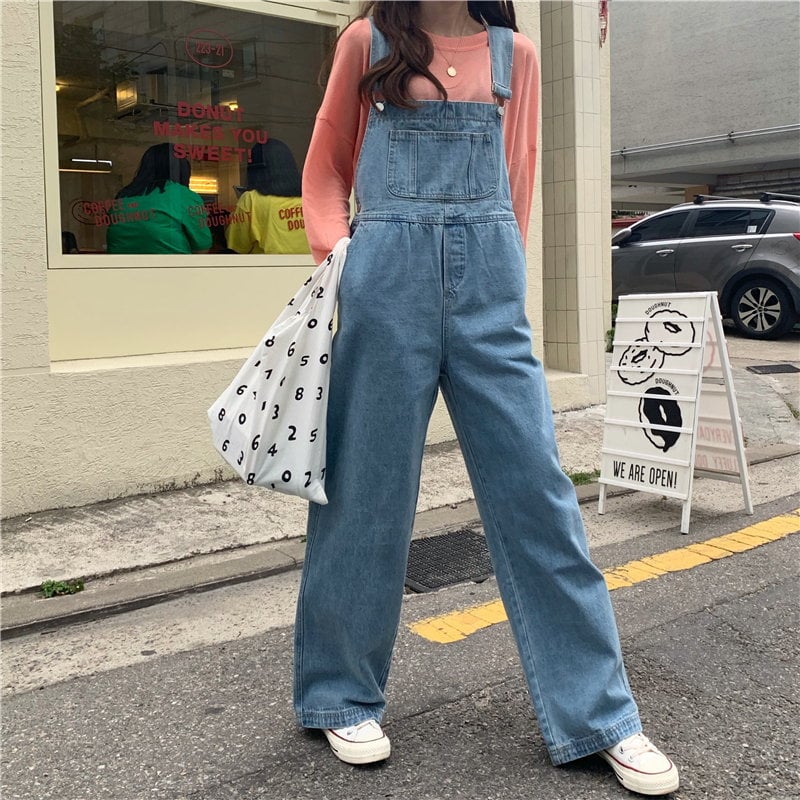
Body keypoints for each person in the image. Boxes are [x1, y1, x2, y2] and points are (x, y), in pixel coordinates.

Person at [295, 2, 680, 795]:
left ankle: (602, 715)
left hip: (489, 295)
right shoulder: (367, 42)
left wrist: (498, 270)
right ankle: (338, 694)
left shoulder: (516, 57)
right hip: (385, 290)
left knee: (539, 496)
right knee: (365, 493)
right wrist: (345, 260)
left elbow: (517, 183)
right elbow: (327, 167)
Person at [106, 143, 211, 255]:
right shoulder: (184, 196)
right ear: (182, 169)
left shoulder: (123, 196)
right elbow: (202, 248)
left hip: (119, 265)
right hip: (171, 265)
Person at [225, 140, 311, 254]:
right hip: (312, 264)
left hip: (268, 265)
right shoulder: (312, 198)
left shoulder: (251, 200)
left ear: (254, 168)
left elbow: (238, 246)